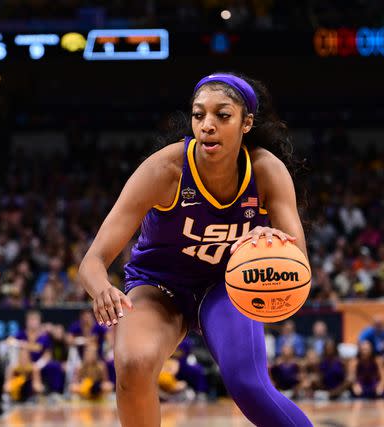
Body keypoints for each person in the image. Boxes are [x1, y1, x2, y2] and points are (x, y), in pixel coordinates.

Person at [79, 72, 313, 426]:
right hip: (160, 285)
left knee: (248, 385)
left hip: (227, 286)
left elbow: (299, 265)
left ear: (246, 122)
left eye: (222, 115)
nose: (207, 125)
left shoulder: (266, 171)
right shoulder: (165, 169)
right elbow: (92, 261)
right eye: (198, 114)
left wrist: (269, 244)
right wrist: (101, 290)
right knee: (132, 364)